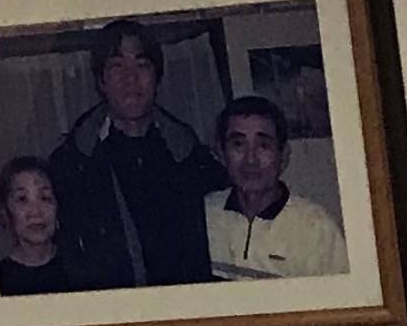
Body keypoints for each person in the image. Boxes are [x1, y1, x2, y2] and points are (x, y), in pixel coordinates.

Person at [45, 17, 228, 289]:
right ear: (101, 81)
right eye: (117, 66)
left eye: (141, 65)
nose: (130, 79)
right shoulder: (71, 164)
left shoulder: (190, 157)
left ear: (157, 77)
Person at [204, 95, 348, 279]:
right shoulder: (203, 214)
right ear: (222, 154)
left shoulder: (316, 227)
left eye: (263, 146)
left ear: (283, 156)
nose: (250, 159)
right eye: (238, 144)